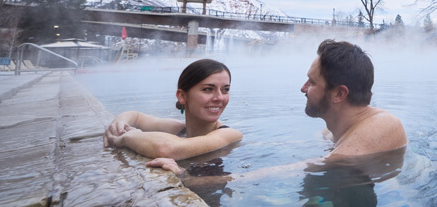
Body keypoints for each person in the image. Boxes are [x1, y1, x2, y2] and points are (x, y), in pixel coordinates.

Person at [148, 39, 406, 181]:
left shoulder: (383, 124)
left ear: (339, 93)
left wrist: (189, 178)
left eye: (312, 82)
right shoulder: (332, 134)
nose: (303, 88)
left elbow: (309, 166)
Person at [104, 59, 243, 160]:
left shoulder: (229, 134)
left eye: (225, 90)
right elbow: (134, 116)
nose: (219, 98)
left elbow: (167, 149)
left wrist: (126, 138)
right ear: (182, 96)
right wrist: (118, 127)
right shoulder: (178, 129)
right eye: (208, 89)